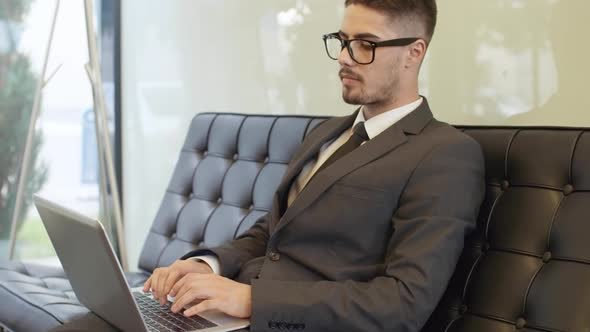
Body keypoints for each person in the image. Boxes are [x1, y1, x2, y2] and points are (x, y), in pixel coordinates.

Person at [143, 1, 485, 331]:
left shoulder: (445, 154)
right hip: (233, 315)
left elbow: (403, 302)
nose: (343, 58)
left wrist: (252, 301)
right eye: (342, 41)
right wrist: (206, 265)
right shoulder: (326, 133)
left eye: (365, 45)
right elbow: (274, 232)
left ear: (414, 52)